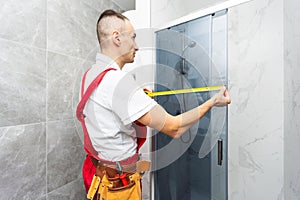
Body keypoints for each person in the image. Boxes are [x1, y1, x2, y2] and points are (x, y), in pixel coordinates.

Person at [79, 9, 231, 199]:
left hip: (99, 176)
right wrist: (213, 102)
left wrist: (138, 100)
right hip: (119, 186)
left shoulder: (90, 75)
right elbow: (175, 128)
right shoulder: (118, 82)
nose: (136, 46)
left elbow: (108, 114)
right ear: (117, 38)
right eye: (133, 38)